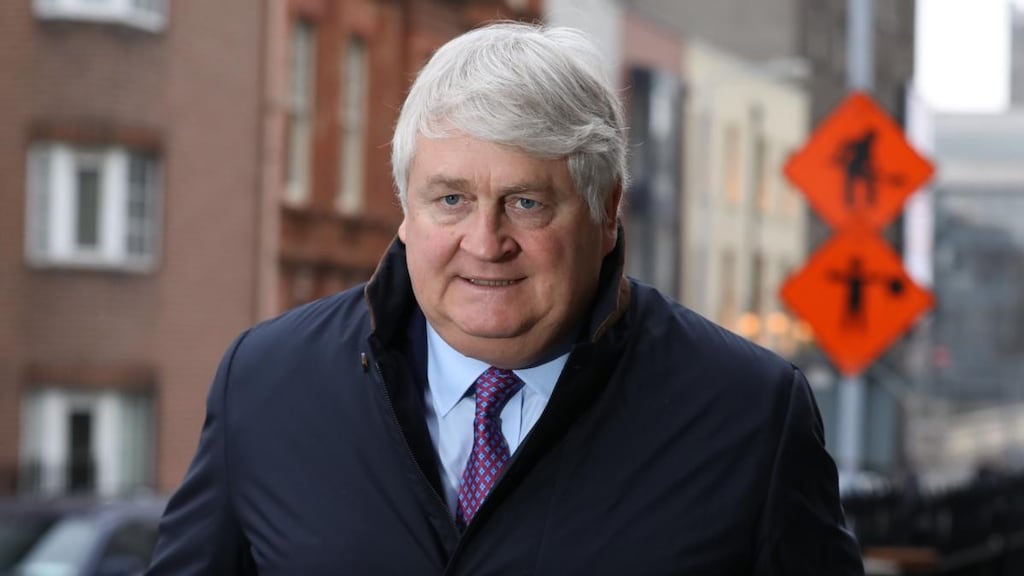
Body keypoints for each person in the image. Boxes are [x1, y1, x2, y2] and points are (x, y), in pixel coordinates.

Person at [147, 21, 863, 575]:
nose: (485, 242)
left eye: (525, 202)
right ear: (406, 207)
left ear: (606, 210)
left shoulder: (747, 416)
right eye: (450, 199)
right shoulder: (268, 384)